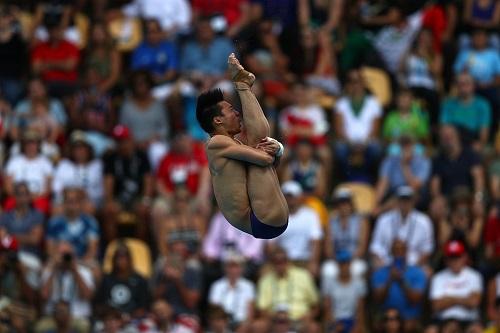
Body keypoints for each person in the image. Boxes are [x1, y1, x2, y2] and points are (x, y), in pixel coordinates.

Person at [196, 53, 289, 239]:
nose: (237, 113)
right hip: (260, 219)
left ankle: (243, 84)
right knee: (258, 141)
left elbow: (271, 164)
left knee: (257, 141)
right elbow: (265, 159)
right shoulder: (216, 143)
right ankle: (242, 85)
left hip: (266, 217)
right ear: (217, 120)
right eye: (231, 110)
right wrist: (276, 148)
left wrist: (277, 150)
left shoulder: (235, 143)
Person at [371, 239, 427, 333]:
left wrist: (401, 280)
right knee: (385, 323)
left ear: (406, 252)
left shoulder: (418, 273)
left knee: (407, 325)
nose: (399, 253)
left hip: (409, 316)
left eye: (401, 250)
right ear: (391, 252)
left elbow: (415, 299)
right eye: (396, 250)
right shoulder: (380, 273)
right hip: (386, 316)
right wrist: (389, 279)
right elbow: (378, 298)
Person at [429, 240, 483, 333]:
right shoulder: (438, 277)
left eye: (457, 257)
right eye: (451, 258)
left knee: (478, 331)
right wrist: (464, 299)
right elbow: (436, 305)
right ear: (446, 259)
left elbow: (474, 302)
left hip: (468, 320)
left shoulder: (474, 276)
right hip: (443, 320)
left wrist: (448, 299)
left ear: (465, 257)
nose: (455, 261)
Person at [208, 251, 255, 332]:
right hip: (222, 322)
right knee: (217, 322)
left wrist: (244, 326)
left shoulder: (248, 286)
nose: (233, 270)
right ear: (225, 268)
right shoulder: (217, 286)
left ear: (242, 269)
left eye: (236, 266)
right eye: (230, 266)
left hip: (241, 324)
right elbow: (214, 311)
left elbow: (250, 314)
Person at [322, 250, 366, 333]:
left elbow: (360, 310)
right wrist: (335, 325)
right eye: (341, 263)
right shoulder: (329, 283)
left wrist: (356, 327)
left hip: (352, 321)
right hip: (335, 321)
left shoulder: (359, 283)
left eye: (346, 263)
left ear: (350, 264)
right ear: (338, 265)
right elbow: (327, 309)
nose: (344, 266)